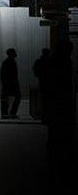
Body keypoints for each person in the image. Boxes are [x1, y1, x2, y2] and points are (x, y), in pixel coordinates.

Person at [39, 39, 74, 169]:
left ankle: (54, 157)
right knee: (59, 130)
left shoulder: (52, 62)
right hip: (59, 102)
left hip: (53, 102)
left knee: (54, 132)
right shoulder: (62, 63)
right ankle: (60, 159)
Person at [0, 47, 21, 118]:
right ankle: (11, 113)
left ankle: (5, 113)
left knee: (5, 98)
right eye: (14, 52)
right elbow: (5, 74)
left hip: (8, 84)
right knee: (17, 97)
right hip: (11, 84)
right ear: (11, 54)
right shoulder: (9, 62)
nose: (16, 54)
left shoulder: (8, 62)